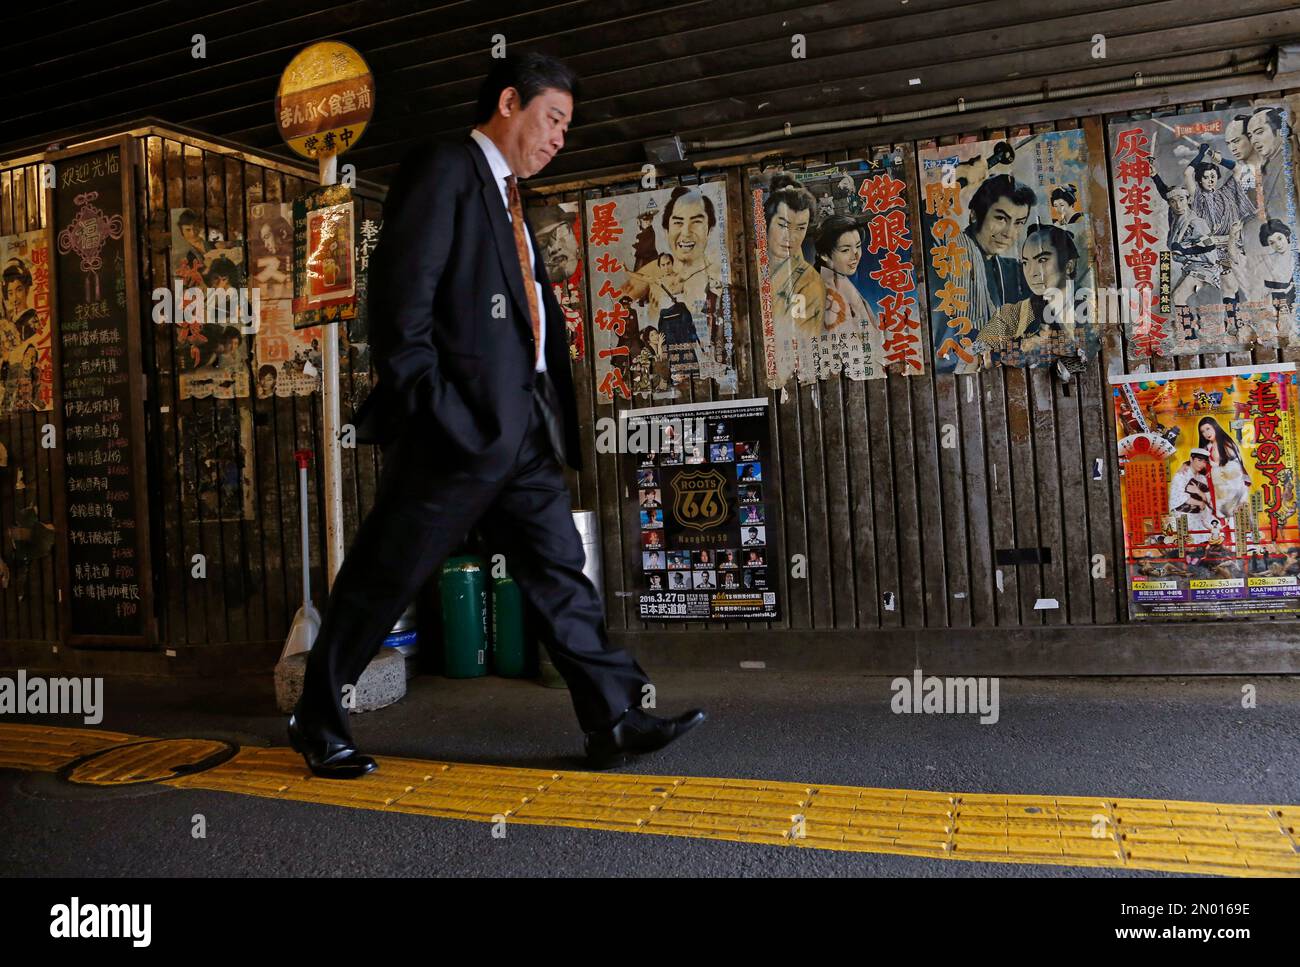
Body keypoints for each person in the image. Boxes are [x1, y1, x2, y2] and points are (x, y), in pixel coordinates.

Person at [291, 52, 704, 779]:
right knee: (387, 577)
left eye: (567, 129)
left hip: (523, 431)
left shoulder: (511, 196)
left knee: (559, 572)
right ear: (509, 102)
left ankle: (613, 716)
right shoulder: (445, 168)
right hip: (454, 430)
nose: (559, 139)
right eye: (553, 119)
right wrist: (440, 409)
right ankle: (317, 715)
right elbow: (399, 306)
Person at [940, 173, 1036, 373]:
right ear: (975, 214)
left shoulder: (1015, 270)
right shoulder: (950, 254)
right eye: (1001, 218)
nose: (1009, 233)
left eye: (1018, 222)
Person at [1198, 416, 1251, 516]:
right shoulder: (1208, 447)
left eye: (1208, 429)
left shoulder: (1227, 444)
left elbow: (1236, 473)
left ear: (1215, 427)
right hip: (1218, 492)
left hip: (1232, 491)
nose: (1206, 433)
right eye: (1203, 431)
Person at [1168, 447, 1217, 539]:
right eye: (1199, 460)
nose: (1201, 464)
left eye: (1204, 462)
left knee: (1210, 538)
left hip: (1199, 516)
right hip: (1183, 516)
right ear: (1191, 459)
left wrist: (1198, 492)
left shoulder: (1202, 478)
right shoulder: (1181, 475)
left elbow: (1210, 498)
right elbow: (1179, 496)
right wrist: (1199, 502)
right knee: (1189, 542)